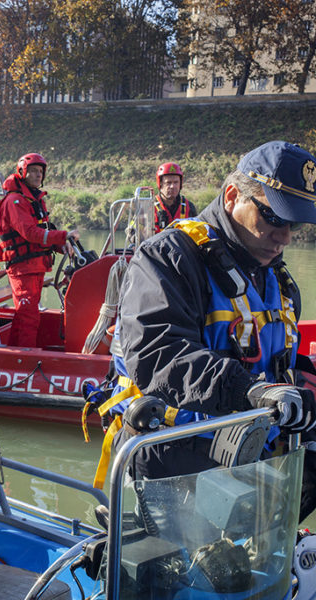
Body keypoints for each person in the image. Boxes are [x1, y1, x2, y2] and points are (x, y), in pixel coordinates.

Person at [112, 141, 316, 522]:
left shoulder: (275, 274)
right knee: (186, 578)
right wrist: (252, 391)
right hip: (172, 460)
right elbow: (158, 355)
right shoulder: (167, 257)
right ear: (232, 195)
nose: (285, 237)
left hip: (249, 455)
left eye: (294, 223)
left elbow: (274, 357)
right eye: (273, 217)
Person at [0, 153, 79, 347]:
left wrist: (62, 246)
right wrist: (63, 236)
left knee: (24, 316)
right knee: (29, 318)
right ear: (22, 172)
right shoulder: (15, 201)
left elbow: (43, 233)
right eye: (33, 171)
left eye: (40, 172)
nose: (38, 175)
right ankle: (25, 360)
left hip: (35, 266)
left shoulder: (33, 200)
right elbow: (30, 233)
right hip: (23, 268)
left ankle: (13, 354)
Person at [154, 162, 197, 232]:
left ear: (180, 184)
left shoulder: (189, 207)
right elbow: (132, 233)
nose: (172, 186)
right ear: (160, 184)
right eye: (168, 183)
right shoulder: (148, 208)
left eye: (176, 182)